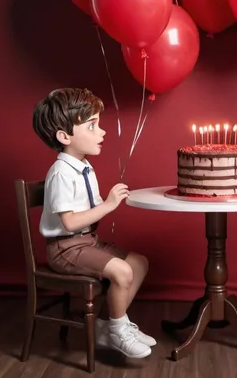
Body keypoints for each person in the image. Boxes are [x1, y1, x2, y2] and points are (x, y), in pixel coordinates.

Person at [33, 87, 155, 359]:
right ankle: (118, 330)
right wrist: (109, 205)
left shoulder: (85, 167)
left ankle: (106, 326)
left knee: (139, 263)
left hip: (87, 242)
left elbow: (91, 209)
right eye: (92, 126)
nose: (102, 132)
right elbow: (70, 222)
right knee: (122, 271)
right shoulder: (61, 173)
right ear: (65, 137)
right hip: (65, 249)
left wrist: (113, 201)